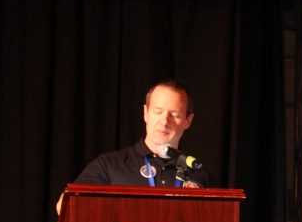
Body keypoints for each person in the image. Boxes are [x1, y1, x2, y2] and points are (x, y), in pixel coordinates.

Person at [56, 80, 210, 214]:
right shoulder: (110, 165)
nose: (164, 121)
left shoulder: (198, 173)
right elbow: (65, 206)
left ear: (188, 121)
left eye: (174, 115)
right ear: (145, 113)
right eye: (158, 111)